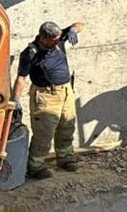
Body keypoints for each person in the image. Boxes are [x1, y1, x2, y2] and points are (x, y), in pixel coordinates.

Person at [13, 21, 85, 180]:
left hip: (66, 92)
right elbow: (21, 78)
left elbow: (80, 24)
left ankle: (66, 158)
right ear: (44, 39)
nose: (58, 41)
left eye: (60, 38)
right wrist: (15, 99)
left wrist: (73, 30)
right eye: (55, 39)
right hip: (46, 96)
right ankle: (35, 166)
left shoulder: (58, 39)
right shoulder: (30, 53)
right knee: (44, 133)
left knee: (67, 126)